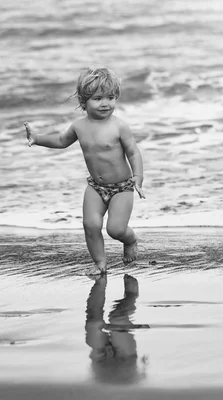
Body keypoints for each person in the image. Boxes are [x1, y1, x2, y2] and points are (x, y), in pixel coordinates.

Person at [25, 67, 145, 275]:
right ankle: (100, 264)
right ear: (83, 102)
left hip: (122, 187)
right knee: (90, 225)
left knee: (115, 229)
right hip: (96, 187)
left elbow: (133, 152)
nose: (105, 103)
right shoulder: (79, 126)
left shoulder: (119, 126)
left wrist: (138, 177)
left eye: (110, 97)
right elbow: (61, 141)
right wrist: (37, 139)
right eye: (98, 98)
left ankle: (130, 238)